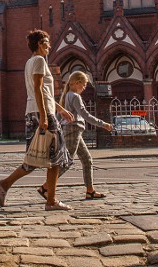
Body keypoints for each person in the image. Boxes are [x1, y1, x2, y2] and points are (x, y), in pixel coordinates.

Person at [0, 30, 75, 211]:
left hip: (34, 111)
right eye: (47, 42)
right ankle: (51, 201)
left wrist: (61, 110)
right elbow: (38, 89)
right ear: (39, 43)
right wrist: (45, 116)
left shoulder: (29, 63)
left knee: (35, 158)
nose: (49, 46)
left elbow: (43, 93)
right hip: (41, 113)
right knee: (58, 158)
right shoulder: (39, 61)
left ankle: (4, 185)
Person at [38, 71, 113, 201]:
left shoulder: (68, 95)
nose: (84, 88)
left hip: (74, 131)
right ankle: (45, 187)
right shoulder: (74, 96)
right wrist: (103, 124)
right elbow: (85, 115)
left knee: (87, 160)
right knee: (67, 161)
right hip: (73, 130)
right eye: (83, 85)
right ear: (77, 83)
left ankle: (90, 191)